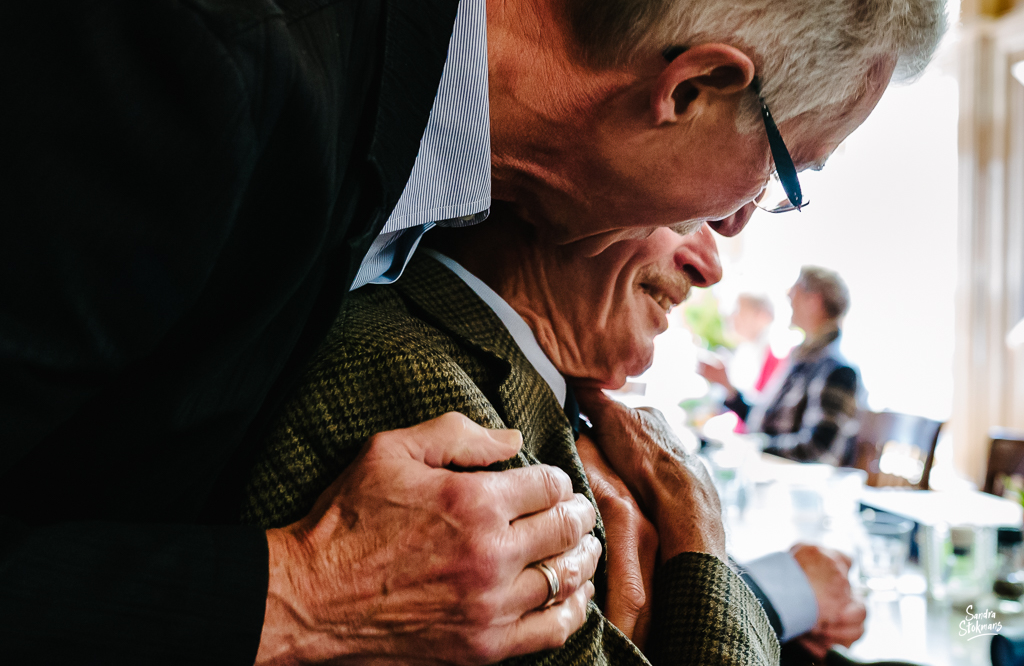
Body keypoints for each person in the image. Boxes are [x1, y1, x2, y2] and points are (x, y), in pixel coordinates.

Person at [1, 0, 944, 661]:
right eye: (787, 178)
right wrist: (304, 592)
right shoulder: (194, 50)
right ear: (692, 86)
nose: (732, 228)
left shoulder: (411, 178)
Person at [243, 214, 864, 663]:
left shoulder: (521, 380)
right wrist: (702, 527)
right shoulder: (407, 382)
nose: (709, 265)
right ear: (577, 185)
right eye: (689, 214)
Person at [699, 267, 861, 465]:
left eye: (797, 289)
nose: (789, 294)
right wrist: (729, 389)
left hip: (797, 487)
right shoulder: (800, 360)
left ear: (814, 301)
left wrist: (750, 446)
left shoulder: (837, 371)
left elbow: (818, 450)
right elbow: (763, 422)